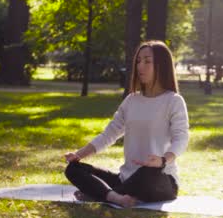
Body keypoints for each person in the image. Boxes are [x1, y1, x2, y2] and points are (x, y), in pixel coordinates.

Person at [64, 40, 189, 207]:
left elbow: (181, 138)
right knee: (73, 169)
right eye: (138, 61)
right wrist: (79, 155)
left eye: (147, 61)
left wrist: (163, 161)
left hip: (160, 179)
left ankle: (101, 193)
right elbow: (110, 134)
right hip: (126, 178)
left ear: (162, 65)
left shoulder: (173, 101)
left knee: (148, 173)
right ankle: (115, 196)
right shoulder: (131, 100)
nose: (140, 66)